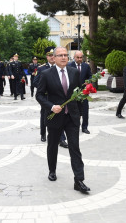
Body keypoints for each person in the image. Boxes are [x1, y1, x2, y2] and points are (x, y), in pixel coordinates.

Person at [36, 46, 90, 193]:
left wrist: (79, 113)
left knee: (75, 148)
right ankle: (52, 170)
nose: (64, 57)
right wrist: (51, 106)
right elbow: (39, 95)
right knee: (52, 146)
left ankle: (79, 180)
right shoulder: (46, 74)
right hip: (54, 117)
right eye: (60, 55)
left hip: (71, 117)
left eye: (66, 55)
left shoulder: (74, 72)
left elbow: (78, 94)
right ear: (54, 58)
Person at [34, 47, 68, 148]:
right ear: (47, 57)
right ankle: (43, 133)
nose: (52, 57)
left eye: (53, 55)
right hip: (46, 98)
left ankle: (62, 138)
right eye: (49, 55)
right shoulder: (41, 68)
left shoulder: (62, 67)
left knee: (60, 116)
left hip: (58, 97)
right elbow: (35, 82)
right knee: (44, 115)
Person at [68, 51, 92, 134]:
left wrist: (88, 81)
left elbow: (90, 76)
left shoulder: (86, 66)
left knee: (85, 110)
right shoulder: (69, 66)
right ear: (74, 57)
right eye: (77, 57)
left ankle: (84, 127)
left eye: (81, 57)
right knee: (74, 110)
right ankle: (75, 126)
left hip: (84, 93)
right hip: (73, 93)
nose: (79, 59)